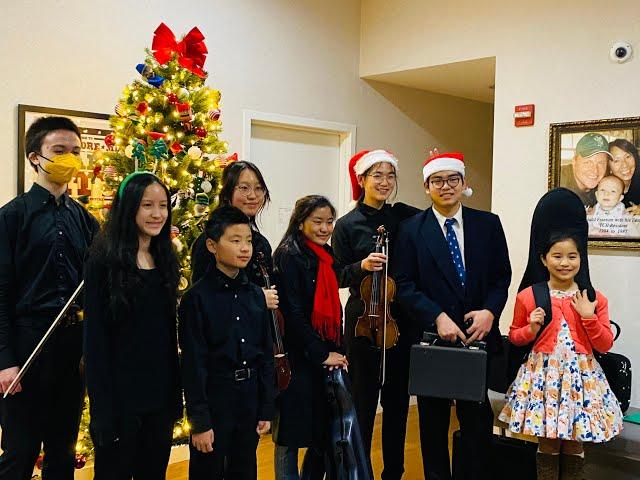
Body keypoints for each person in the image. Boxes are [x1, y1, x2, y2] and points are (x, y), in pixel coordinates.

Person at [392, 151, 512, 480]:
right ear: (427, 186)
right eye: (437, 181)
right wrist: (437, 317)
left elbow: (502, 276)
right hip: (434, 343)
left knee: (477, 424)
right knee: (432, 426)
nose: (446, 186)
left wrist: (490, 312)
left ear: (463, 183)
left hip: (478, 339)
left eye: (452, 179)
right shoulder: (411, 230)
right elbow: (402, 284)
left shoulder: (488, 224)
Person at [0, 116, 99, 480]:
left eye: (75, 151)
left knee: (62, 450)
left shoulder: (85, 221)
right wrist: (4, 362)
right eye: (59, 151)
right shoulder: (11, 218)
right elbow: (0, 294)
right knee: (19, 452)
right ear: (34, 158)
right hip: (27, 346)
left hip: (71, 347)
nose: (69, 159)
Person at [499, 232, 623, 480]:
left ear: (581, 259)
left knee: (576, 442)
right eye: (557, 256)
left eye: (572, 256)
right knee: (548, 442)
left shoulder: (594, 298)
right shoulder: (528, 296)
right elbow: (514, 337)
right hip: (543, 377)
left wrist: (589, 316)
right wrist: (531, 328)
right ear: (544, 260)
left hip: (581, 381)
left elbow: (605, 343)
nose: (565, 263)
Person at [83, 171, 182, 479]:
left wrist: (174, 399)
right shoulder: (102, 260)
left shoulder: (164, 257)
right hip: (119, 401)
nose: (157, 214)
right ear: (129, 208)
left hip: (159, 398)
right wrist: (101, 411)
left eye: (163, 205)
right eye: (146, 205)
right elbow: (95, 341)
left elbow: (168, 335)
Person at [272, 195, 375, 479]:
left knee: (322, 431)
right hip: (298, 357)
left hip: (323, 353)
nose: (324, 228)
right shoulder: (288, 255)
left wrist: (335, 351)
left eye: (329, 221)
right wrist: (321, 353)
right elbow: (293, 315)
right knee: (290, 437)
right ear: (300, 221)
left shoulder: (325, 253)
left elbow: (338, 278)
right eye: (317, 221)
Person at [332, 149, 419, 480]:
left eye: (390, 175)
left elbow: (434, 215)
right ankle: (359, 471)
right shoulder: (346, 225)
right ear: (362, 179)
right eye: (377, 175)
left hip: (400, 320)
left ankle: (393, 472)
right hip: (362, 322)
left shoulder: (404, 218)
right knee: (363, 403)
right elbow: (337, 274)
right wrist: (361, 266)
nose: (384, 182)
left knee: (397, 403)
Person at [179, 205, 275, 480]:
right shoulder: (196, 299)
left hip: (249, 397)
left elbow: (265, 353)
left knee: (244, 470)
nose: (244, 248)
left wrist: (266, 406)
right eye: (235, 241)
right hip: (216, 396)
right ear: (212, 245)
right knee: (207, 471)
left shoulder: (256, 295)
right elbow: (193, 363)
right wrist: (199, 422)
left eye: (247, 241)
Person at [190, 161, 277, 308]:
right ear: (227, 192)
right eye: (244, 188)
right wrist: (256, 298)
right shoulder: (209, 242)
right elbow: (202, 299)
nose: (253, 195)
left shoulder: (261, 243)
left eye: (259, 188)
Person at [560, 133, 611, 207]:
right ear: (574, 161)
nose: (595, 171)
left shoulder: (606, 183)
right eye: (588, 162)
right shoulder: (559, 180)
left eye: (601, 163)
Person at [608, 138, 640, 214]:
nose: (625, 165)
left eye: (628, 157)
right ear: (609, 167)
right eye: (616, 160)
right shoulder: (603, 187)